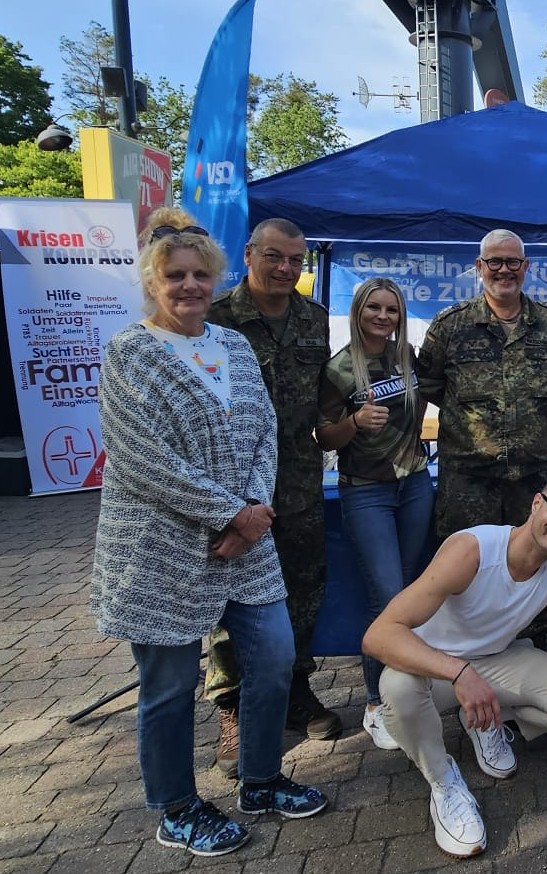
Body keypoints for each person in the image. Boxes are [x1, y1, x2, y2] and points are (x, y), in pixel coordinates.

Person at [91, 222, 326, 858]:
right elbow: (141, 457)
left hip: (247, 539)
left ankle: (260, 779)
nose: (190, 285)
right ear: (152, 282)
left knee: (275, 656)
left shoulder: (233, 346)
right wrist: (228, 514)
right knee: (168, 687)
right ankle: (175, 806)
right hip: (161, 546)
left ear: (216, 276)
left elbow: (263, 432)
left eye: (200, 274)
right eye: (175, 275)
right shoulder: (129, 352)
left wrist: (252, 510)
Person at [362, 471, 547, 858]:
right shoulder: (473, 550)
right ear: (537, 503)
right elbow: (378, 635)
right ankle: (444, 784)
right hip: (433, 669)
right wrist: (458, 671)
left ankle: (484, 719)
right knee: (398, 688)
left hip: (496, 660)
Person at [205, 218, 337, 777]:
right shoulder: (216, 319)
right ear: (250, 254)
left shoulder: (315, 319)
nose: (286, 269)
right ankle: (232, 709)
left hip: (300, 483)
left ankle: (294, 691)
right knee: (231, 599)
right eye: (274, 257)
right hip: (236, 490)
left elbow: (325, 402)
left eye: (295, 260)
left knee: (303, 589)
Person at [316, 278, 432, 749]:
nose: (383, 317)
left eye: (391, 309)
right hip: (366, 492)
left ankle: (407, 689)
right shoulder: (339, 369)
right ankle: (374, 701)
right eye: (374, 309)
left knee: (409, 591)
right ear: (358, 312)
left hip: (416, 484)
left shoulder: (409, 358)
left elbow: (424, 404)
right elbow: (324, 438)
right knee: (385, 596)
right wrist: (354, 423)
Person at [416, 229, 547, 540]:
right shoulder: (449, 326)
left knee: (531, 574)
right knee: (466, 577)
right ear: (479, 266)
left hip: (534, 481)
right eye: (494, 262)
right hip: (468, 482)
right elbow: (429, 384)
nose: (504, 270)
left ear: (526, 266)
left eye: (512, 262)